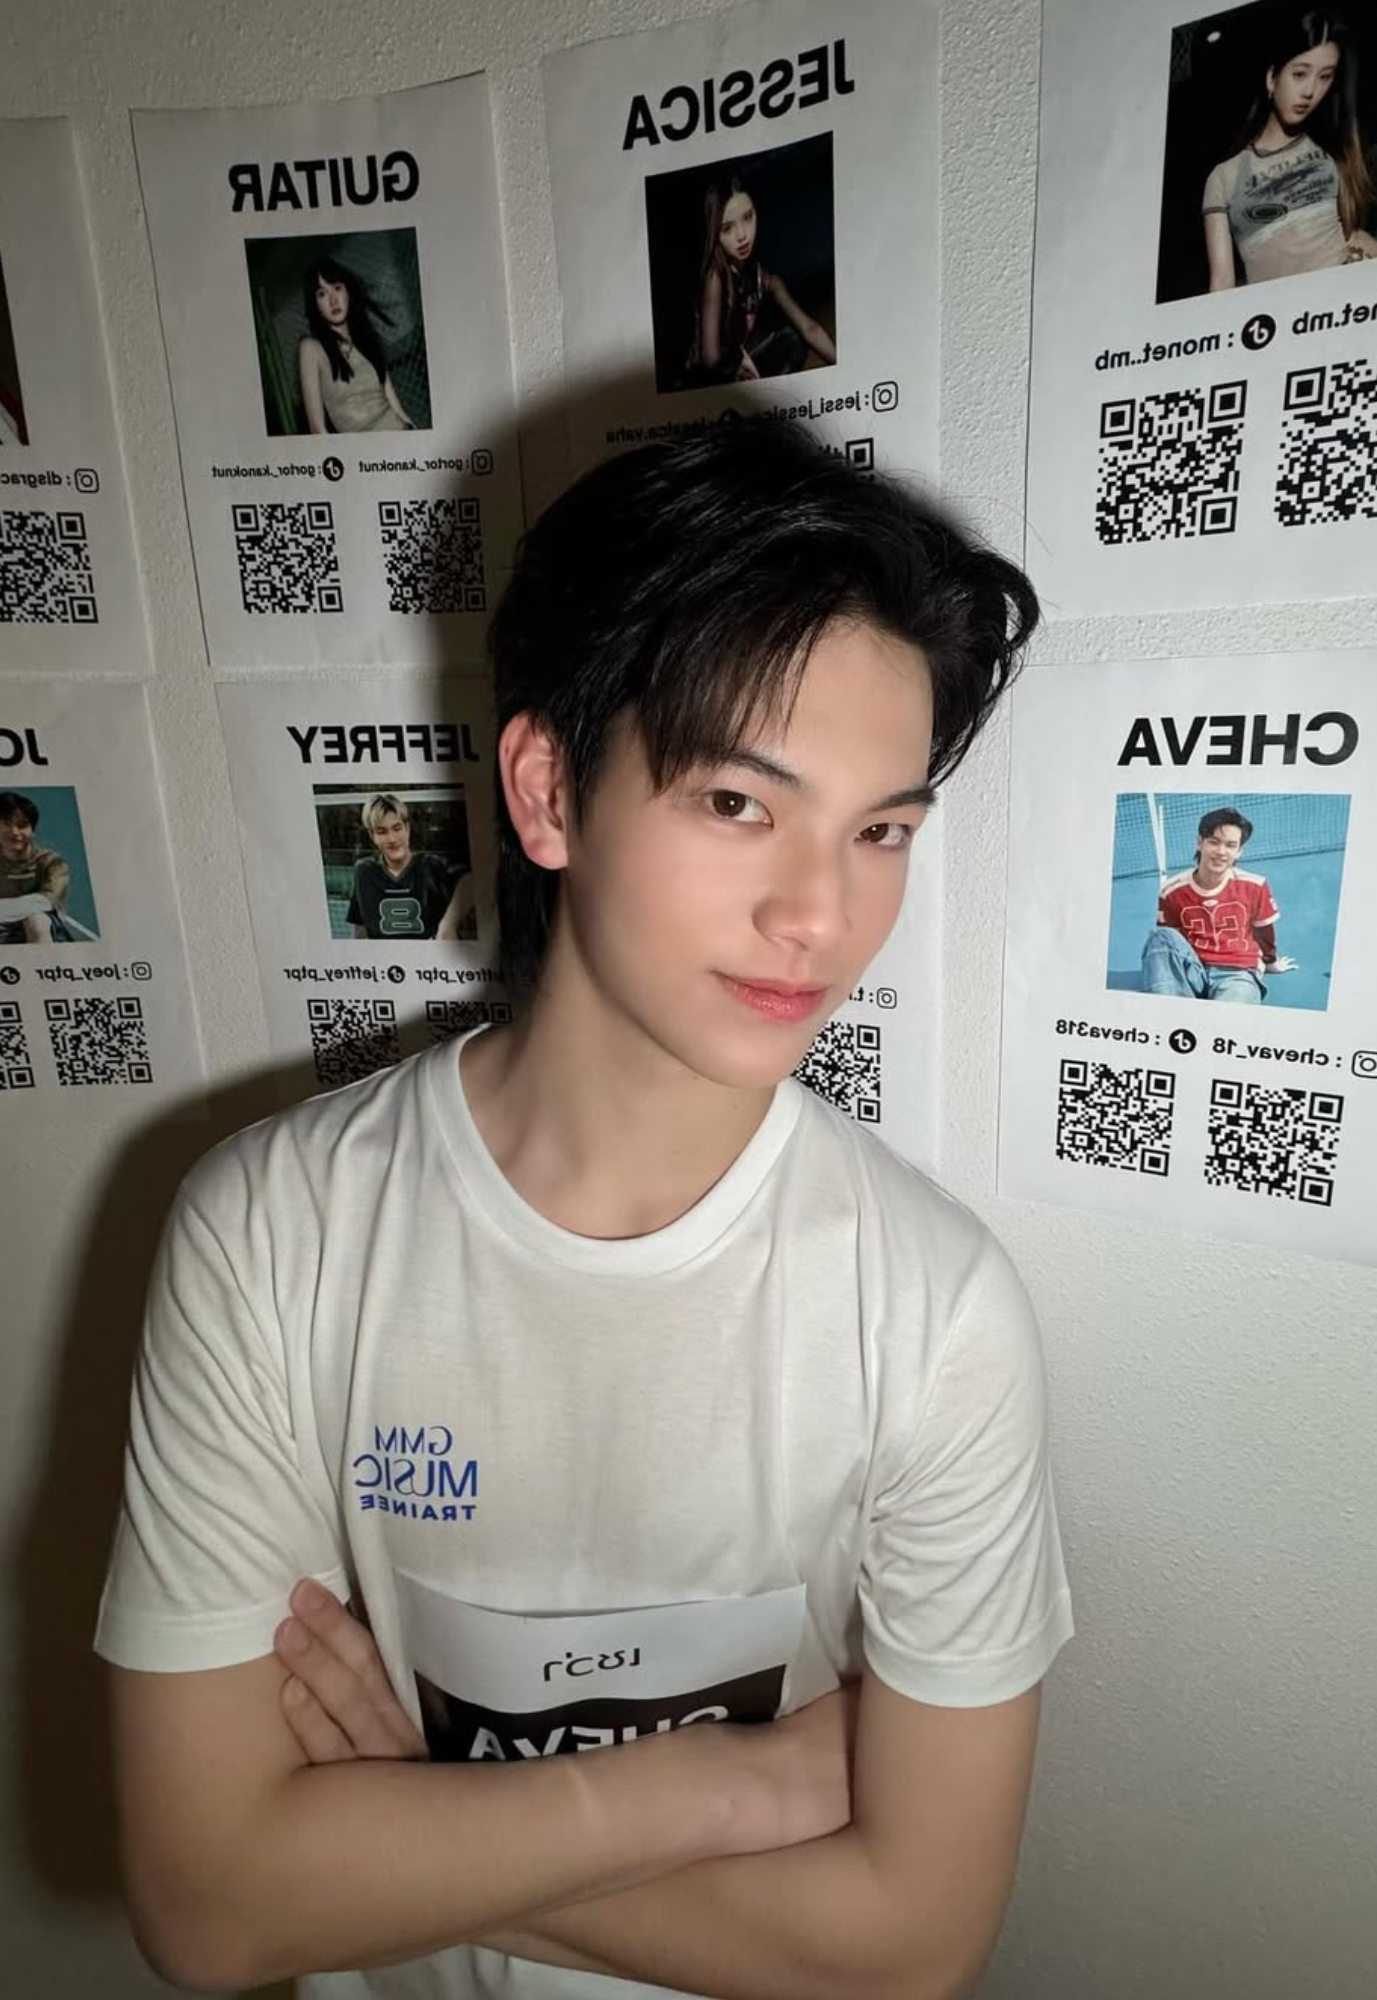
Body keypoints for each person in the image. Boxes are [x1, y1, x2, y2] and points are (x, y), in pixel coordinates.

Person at [96, 423, 1074, 2000]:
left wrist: (404, 1819)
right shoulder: (275, 1232)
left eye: (881, 830)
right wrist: (717, 1787)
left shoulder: (933, 1308)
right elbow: (206, 1912)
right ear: (549, 792)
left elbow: (912, 1949)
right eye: (740, 804)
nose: (822, 914)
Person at [1202, 8, 1377, 290]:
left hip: (1347, 297)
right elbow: (1222, 282)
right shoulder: (1224, 177)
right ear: (1271, 78)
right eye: (1300, 74)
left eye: (1325, 76)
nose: (1310, 91)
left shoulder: (1332, 153)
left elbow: (1350, 235)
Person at [684, 168, 838, 387]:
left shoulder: (762, 278)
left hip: (739, 376)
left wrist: (843, 366)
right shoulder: (714, 276)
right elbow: (710, 360)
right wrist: (738, 358)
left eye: (748, 217)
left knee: (793, 338)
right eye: (727, 228)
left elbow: (809, 328)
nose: (742, 235)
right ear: (714, 232)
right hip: (705, 387)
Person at [1141, 806, 1297, 1005]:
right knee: (1160, 937)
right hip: (1193, 968)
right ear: (1200, 843)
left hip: (1237, 972)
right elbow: (1172, 943)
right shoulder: (1171, 890)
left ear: (1239, 851)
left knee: (1226, 1017)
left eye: (1231, 845)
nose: (1221, 852)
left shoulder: (1255, 886)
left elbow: (1265, 932)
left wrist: (1271, 962)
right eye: (1214, 842)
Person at [298, 256, 417, 435]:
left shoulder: (366, 339)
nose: (333, 300)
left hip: (401, 433)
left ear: (347, 292)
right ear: (315, 305)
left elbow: (394, 403)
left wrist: (416, 434)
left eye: (337, 288)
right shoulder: (311, 349)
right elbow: (317, 428)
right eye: (322, 294)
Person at [344, 792, 474, 941]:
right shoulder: (364, 871)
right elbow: (360, 928)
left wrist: (448, 925)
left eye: (397, 828)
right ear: (372, 836)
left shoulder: (432, 866)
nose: (392, 839)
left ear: (407, 828)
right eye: (382, 832)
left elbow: (471, 880)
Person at [0, 789, 69, 944]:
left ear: (33, 830)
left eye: (22, 825)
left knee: (37, 921)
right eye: (6, 823)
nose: (14, 832)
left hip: (41, 927)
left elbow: (48, 900)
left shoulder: (52, 862)